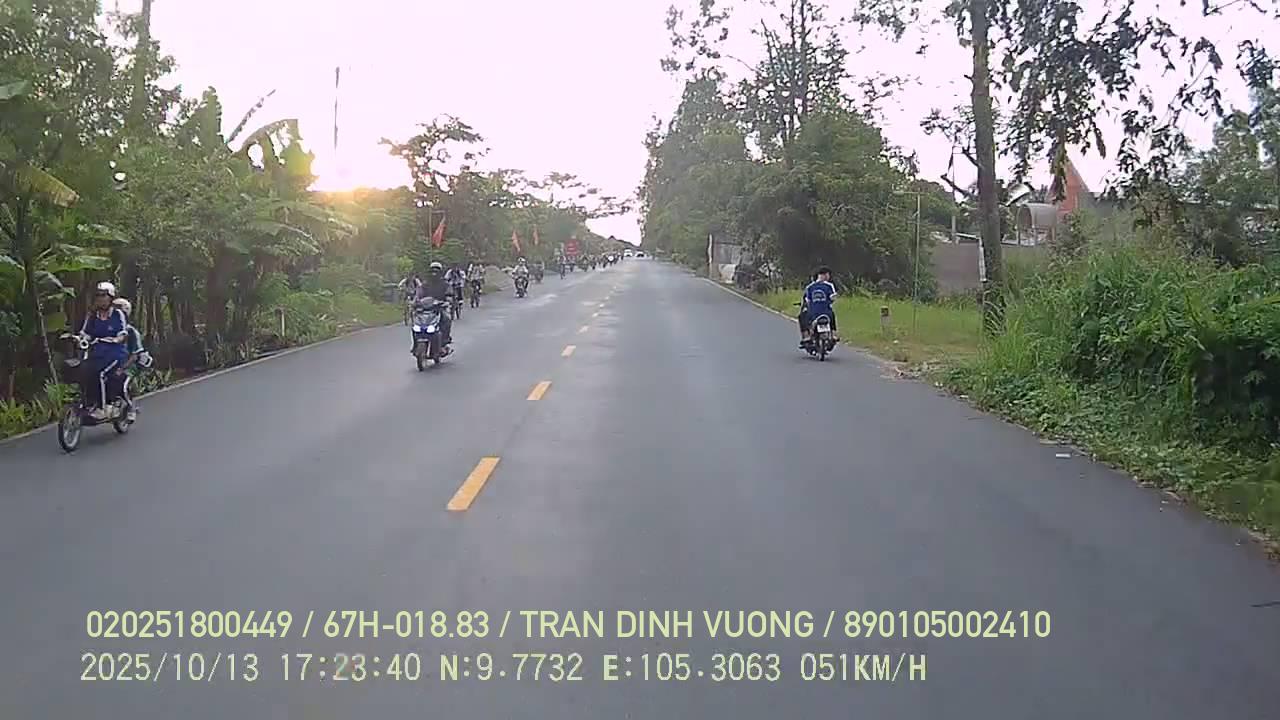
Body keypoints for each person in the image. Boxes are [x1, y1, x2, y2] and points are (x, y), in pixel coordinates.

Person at [78, 281, 130, 420]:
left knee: (100, 373)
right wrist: (81, 338)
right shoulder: (92, 316)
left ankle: (104, 407)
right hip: (97, 353)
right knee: (83, 370)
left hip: (115, 354)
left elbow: (123, 332)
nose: (100, 298)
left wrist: (117, 339)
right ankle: (89, 402)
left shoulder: (118, 314)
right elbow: (85, 333)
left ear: (110, 297)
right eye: (98, 295)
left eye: (103, 295)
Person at [112, 298, 153, 422]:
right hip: (112, 362)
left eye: (119, 310)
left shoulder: (131, 331)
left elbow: (135, 355)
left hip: (130, 363)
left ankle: (131, 408)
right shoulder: (110, 329)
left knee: (124, 383)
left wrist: (123, 367)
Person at [412, 262, 454, 351]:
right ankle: (415, 345)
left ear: (440, 272)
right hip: (425, 310)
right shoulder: (425, 284)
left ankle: (444, 341)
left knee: (447, 319)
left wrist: (447, 301)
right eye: (432, 271)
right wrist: (415, 302)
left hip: (439, 308)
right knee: (416, 325)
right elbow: (418, 295)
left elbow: (449, 294)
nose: (434, 273)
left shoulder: (445, 284)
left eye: (436, 271)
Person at [799, 266, 838, 347]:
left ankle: (806, 336)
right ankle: (833, 334)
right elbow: (833, 298)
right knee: (832, 316)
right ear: (826, 275)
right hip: (826, 312)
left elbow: (808, 300)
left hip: (813, 313)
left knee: (802, 316)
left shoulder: (810, 287)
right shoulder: (829, 285)